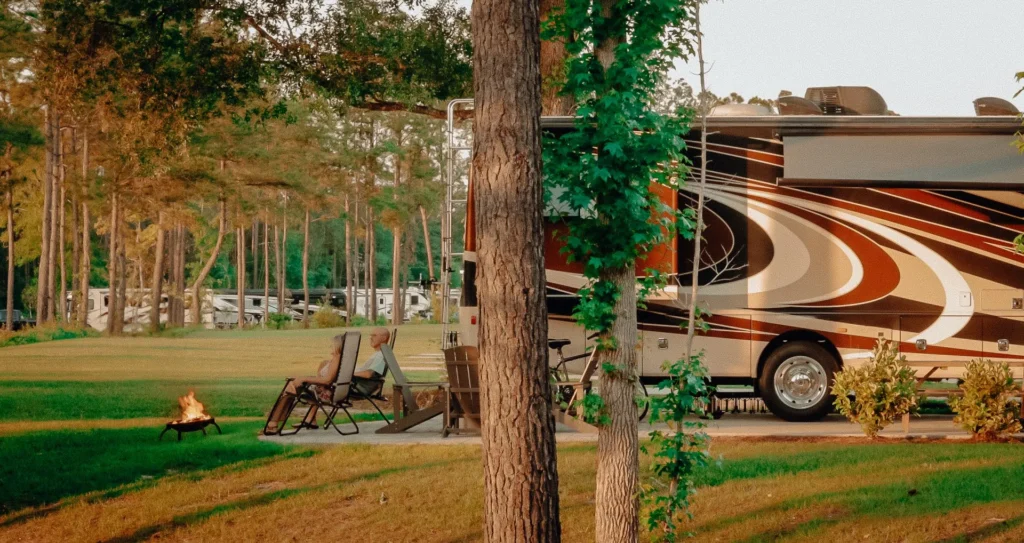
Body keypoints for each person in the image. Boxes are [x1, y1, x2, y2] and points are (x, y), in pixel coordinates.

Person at [263, 334, 345, 435]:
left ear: (338, 346)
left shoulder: (337, 359)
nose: (330, 347)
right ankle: (308, 419)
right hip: (326, 391)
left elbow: (327, 380)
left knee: (290, 389)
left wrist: (304, 378)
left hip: (325, 394)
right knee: (292, 386)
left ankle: (273, 424)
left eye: (332, 345)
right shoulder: (338, 359)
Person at [352, 327, 390, 396]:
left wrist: (348, 374)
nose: (371, 338)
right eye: (371, 335)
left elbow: (368, 374)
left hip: (358, 386)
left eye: (374, 335)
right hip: (358, 382)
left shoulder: (381, 356)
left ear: (384, 338)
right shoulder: (380, 353)